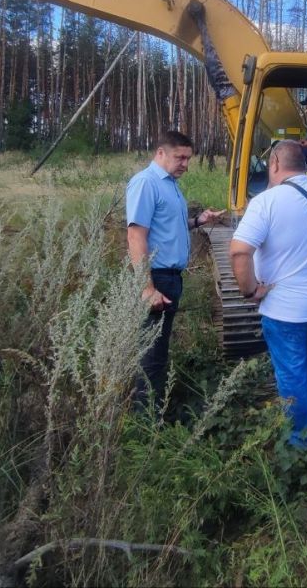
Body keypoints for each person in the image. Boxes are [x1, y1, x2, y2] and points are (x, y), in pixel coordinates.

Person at [229, 139, 307, 448]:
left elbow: (239, 252)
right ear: (303, 165)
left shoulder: (266, 202)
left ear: (274, 164)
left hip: (285, 305)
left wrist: (250, 291)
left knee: (291, 368)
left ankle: (301, 438)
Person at [126, 130, 225, 410]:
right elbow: (136, 236)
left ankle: (154, 414)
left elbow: (168, 227)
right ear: (160, 153)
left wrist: (199, 220)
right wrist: (147, 288)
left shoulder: (170, 185)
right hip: (155, 279)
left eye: (188, 158)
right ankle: (145, 421)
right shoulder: (146, 183)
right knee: (151, 356)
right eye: (180, 157)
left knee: (158, 353)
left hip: (170, 280)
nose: (185, 164)